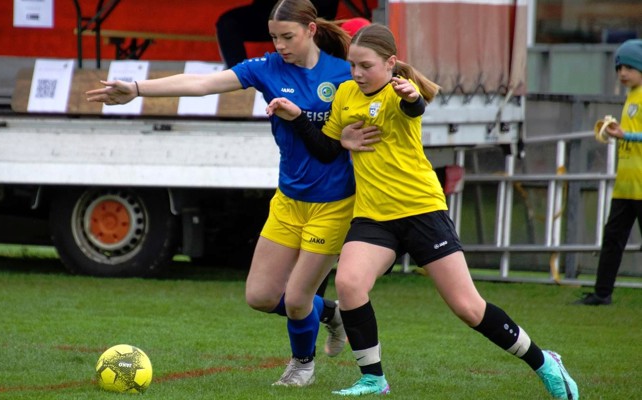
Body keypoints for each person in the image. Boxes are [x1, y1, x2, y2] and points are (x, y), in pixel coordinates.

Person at [266, 23, 580, 399]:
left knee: (468, 308)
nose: (357, 74)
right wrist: (297, 116)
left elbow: (415, 107)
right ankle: (373, 379)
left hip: (421, 212)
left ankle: (544, 361)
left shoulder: (400, 92)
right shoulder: (347, 94)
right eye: (352, 66)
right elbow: (327, 149)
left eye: (366, 66)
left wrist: (412, 94)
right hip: (373, 216)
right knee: (350, 284)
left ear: (391, 64)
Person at [86, 0, 354, 387]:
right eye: (274, 37)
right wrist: (136, 89)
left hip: (332, 203)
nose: (279, 45)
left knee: (296, 298)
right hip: (289, 201)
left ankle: (302, 366)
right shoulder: (266, 69)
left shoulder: (343, 74)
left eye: (288, 37)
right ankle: (332, 314)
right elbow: (202, 84)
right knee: (260, 296)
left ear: (311, 31)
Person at [576, 39, 642, 306]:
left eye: (628, 67)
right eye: (619, 68)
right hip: (625, 185)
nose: (622, 73)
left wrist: (627, 135)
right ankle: (602, 293)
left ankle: (602, 292)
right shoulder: (631, 96)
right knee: (612, 239)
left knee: (614, 239)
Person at [216, 0, 339, 68]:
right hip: (269, 10)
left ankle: (294, 77)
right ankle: (238, 76)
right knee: (228, 24)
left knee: (286, 26)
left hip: (311, 11)